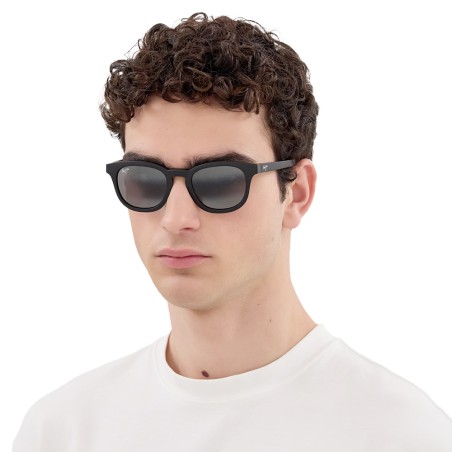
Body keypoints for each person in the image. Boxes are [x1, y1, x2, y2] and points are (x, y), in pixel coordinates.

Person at [13, 12, 452, 452]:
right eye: (145, 179)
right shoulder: (62, 431)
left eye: (220, 181)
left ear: (296, 194)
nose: (175, 218)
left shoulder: (402, 436)